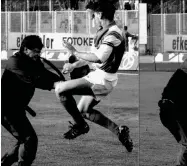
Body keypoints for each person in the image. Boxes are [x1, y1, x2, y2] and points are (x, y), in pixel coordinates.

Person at [55, 0, 133, 152]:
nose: (92, 19)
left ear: (100, 14)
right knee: (83, 110)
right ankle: (120, 132)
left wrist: (74, 52)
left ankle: (80, 126)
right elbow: (91, 58)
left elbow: (98, 58)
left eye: (93, 15)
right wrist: (73, 65)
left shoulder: (113, 34)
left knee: (60, 90)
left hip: (103, 80)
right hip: (98, 76)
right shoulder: (104, 31)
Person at [1, 35, 62, 166]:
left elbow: (46, 74)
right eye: (35, 51)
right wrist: (55, 85)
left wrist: (65, 83)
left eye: (39, 51)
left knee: (24, 140)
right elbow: (37, 80)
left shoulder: (34, 63)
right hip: (6, 109)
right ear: (25, 49)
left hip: (16, 110)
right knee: (29, 139)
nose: (38, 54)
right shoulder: (14, 62)